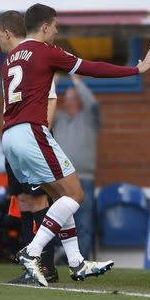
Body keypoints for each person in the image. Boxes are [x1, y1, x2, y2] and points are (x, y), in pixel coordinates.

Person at [0, 3, 150, 287]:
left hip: (10, 135)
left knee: (61, 197)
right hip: (31, 132)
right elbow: (92, 68)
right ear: (45, 26)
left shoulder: (11, 58)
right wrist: (135, 69)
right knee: (76, 195)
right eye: (56, 25)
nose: (58, 30)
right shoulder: (46, 51)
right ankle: (32, 252)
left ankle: (77, 262)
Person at [0, 10, 59, 284]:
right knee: (23, 202)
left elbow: (52, 99)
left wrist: (39, 134)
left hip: (32, 139)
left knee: (40, 200)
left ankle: (45, 266)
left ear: (7, 33)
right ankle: (32, 266)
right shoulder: (11, 60)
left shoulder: (36, 54)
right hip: (16, 141)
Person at [52, 74, 100, 259]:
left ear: (80, 99)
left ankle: (82, 259)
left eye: (74, 98)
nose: (69, 102)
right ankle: (61, 256)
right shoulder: (58, 118)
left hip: (84, 178)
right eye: (67, 98)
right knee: (60, 219)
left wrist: (76, 80)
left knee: (84, 222)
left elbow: (92, 103)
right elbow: (43, 106)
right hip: (61, 178)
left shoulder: (89, 118)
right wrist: (53, 82)